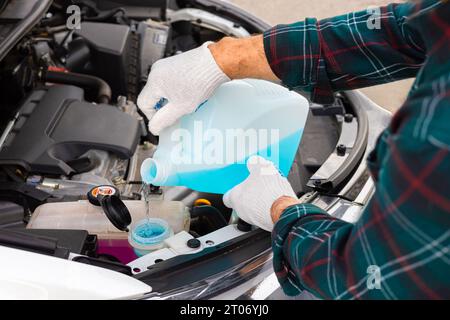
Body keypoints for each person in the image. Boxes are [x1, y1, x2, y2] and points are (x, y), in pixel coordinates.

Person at [137, 0, 449, 299]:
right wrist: (223, 59)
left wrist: (281, 211)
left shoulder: (435, 133)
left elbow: (376, 283)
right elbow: (406, 30)